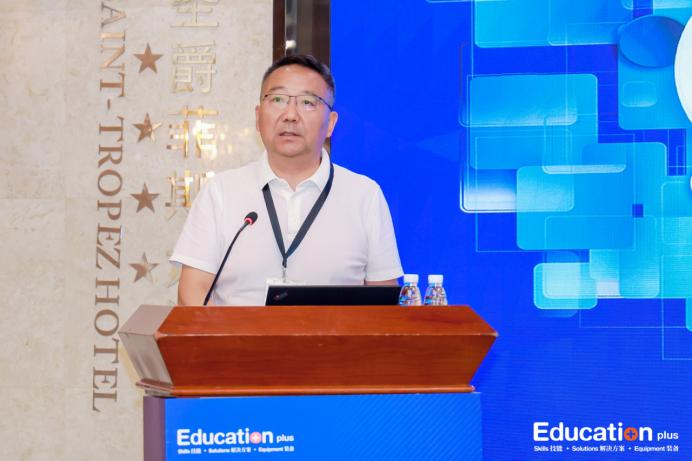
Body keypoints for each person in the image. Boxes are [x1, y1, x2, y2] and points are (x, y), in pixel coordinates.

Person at [171, 54, 403, 305]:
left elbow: (383, 303)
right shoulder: (221, 193)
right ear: (258, 116)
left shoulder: (364, 195)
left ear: (331, 124)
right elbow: (191, 295)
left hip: (333, 332)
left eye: (307, 102)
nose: (290, 115)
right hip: (237, 333)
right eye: (278, 100)